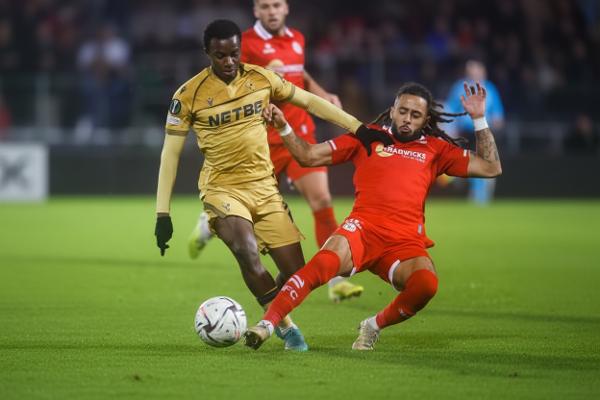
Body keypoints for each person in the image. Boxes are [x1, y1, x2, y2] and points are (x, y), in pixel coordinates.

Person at [154, 20, 391, 351]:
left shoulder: (261, 78)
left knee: (296, 272)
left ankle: (273, 313)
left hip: (264, 187)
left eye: (234, 53)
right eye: (220, 55)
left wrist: (357, 127)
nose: (229, 61)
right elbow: (170, 154)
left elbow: (309, 101)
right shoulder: (188, 95)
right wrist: (162, 213)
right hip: (222, 188)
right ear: (207, 52)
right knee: (246, 250)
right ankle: (285, 327)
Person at [244, 81, 502, 351]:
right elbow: (308, 156)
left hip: (404, 243)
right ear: (392, 111)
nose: (407, 119)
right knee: (321, 265)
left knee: (426, 285)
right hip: (362, 231)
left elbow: (491, 167)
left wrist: (479, 119)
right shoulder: (367, 137)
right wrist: (283, 126)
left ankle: (373, 325)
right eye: (403, 111)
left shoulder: (436, 150)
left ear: (425, 120)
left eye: (415, 115)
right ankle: (267, 324)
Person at [187, 0, 364, 303]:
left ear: (286, 8)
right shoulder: (243, 43)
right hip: (261, 142)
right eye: (265, 6)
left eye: (276, 5)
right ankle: (210, 223)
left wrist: (322, 94)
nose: (271, 11)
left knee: (321, 199)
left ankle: (336, 281)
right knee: (256, 211)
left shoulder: (297, 39)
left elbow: (300, 74)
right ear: (256, 11)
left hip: (296, 133)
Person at [445, 59, 504, 204]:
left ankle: (479, 193)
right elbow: (450, 109)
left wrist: (497, 122)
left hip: (482, 132)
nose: (473, 73)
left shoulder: (490, 89)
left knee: (481, 162)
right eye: (470, 70)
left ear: (483, 71)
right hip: (463, 133)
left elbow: (497, 112)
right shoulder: (459, 87)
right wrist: (451, 128)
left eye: (476, 69)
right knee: (465, 162)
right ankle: (463, 184)